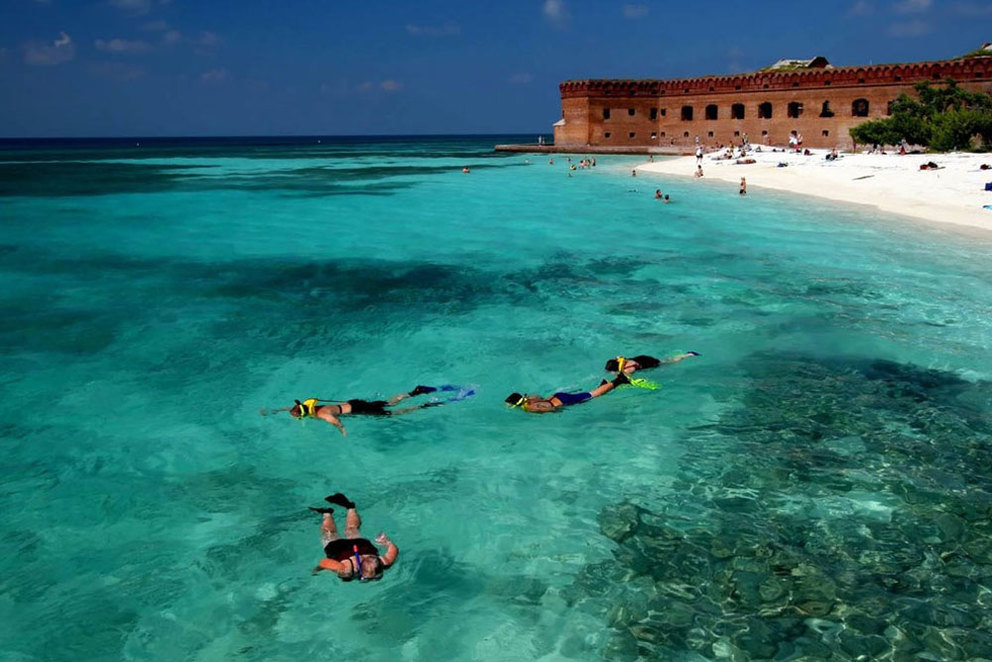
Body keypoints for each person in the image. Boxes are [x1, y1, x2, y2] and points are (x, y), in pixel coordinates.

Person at [265, 385, 442, 435]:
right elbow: (289, 407)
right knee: (388, 403)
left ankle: (422, 406)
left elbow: (336, 421)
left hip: (358, 409)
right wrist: (274, 410)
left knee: (391, 413)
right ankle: (414, 392)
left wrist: (343, 431)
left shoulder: (322, 414)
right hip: (354, 403)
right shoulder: (313, 407)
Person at [310, 493, 398, 582]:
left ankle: (350, 508)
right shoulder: (346, 569)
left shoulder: (384, 562)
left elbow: (393, 549)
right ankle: (327, 513)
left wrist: (387, 542)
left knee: (352, 529)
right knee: (329, 533)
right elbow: (324, 562)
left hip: (362, 546)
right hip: (340, 550)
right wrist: (318, 569)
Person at [505, 371, 630, 413]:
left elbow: (551, 409)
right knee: (587, 394)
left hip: (562, 401)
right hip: (556, 396)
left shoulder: (529, 408)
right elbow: (539, 397)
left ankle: (619, 380)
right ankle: (604, 385)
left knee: (592, 396)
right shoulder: (530, 398)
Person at [604, 352, 699, 374]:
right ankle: (686, 354)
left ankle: (688, 355)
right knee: (665, 360)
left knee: (669, 362)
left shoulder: (629, 369)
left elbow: (627, 376)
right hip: (642, 357)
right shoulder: (621, 360)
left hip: (649, 363)